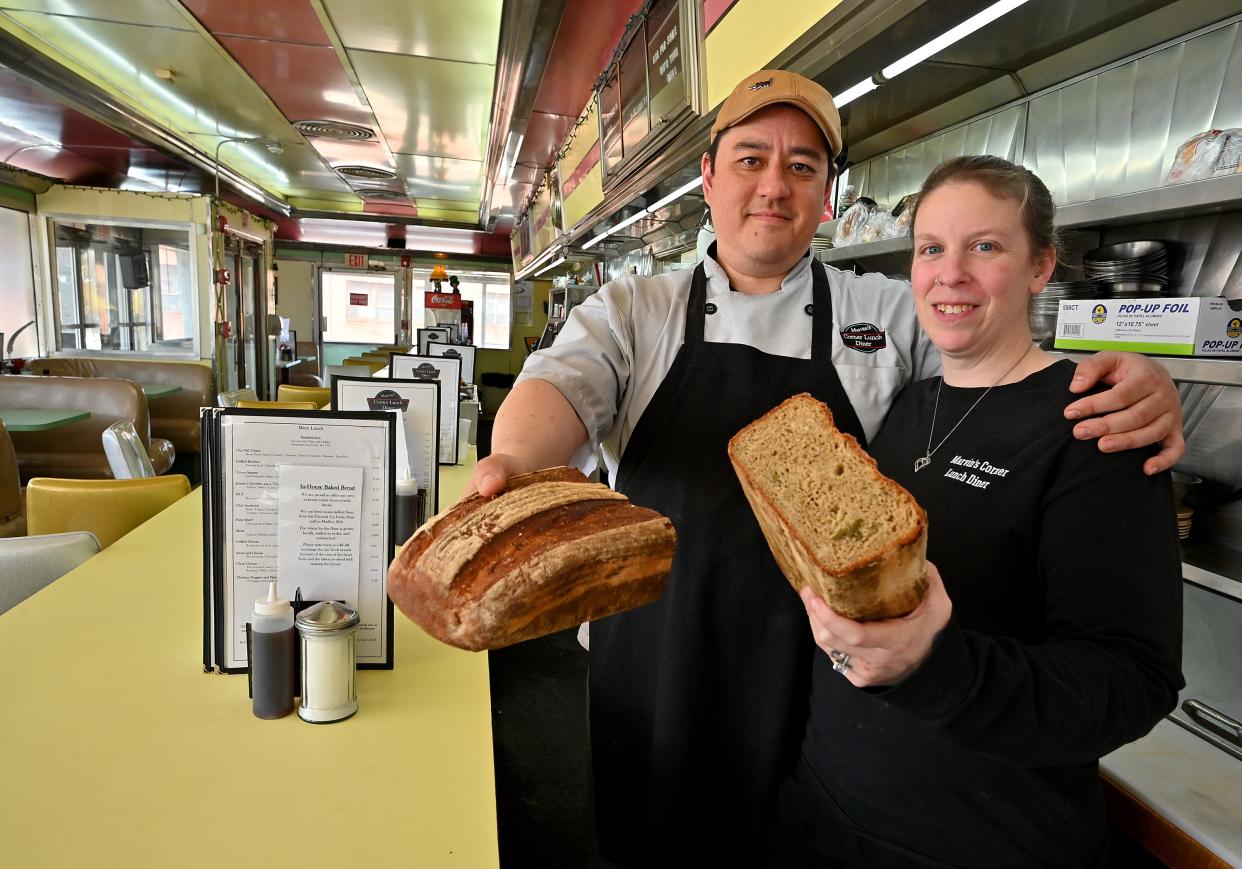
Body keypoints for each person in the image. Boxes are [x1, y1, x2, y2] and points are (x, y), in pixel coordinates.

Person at [470, 70, 1184, 865]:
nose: (774, 185)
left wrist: (1127, 375)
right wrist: (511, 462)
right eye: (750, 159)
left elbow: (988, 340)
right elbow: (559, 388)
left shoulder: (882, 310)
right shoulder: (639, 309)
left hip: (811, 688)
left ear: (828, 194)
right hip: (658, 673)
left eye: (802, 165)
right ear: (707, 178)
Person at [775, 156, 1183, 867]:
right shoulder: (908, 404)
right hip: (826, 814)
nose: (950, 272)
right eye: (931, 248)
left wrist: (939, 665)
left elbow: (1133, 679)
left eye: (985, 246)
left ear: (1041, 267)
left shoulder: (1095, 427)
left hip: (977, 842)